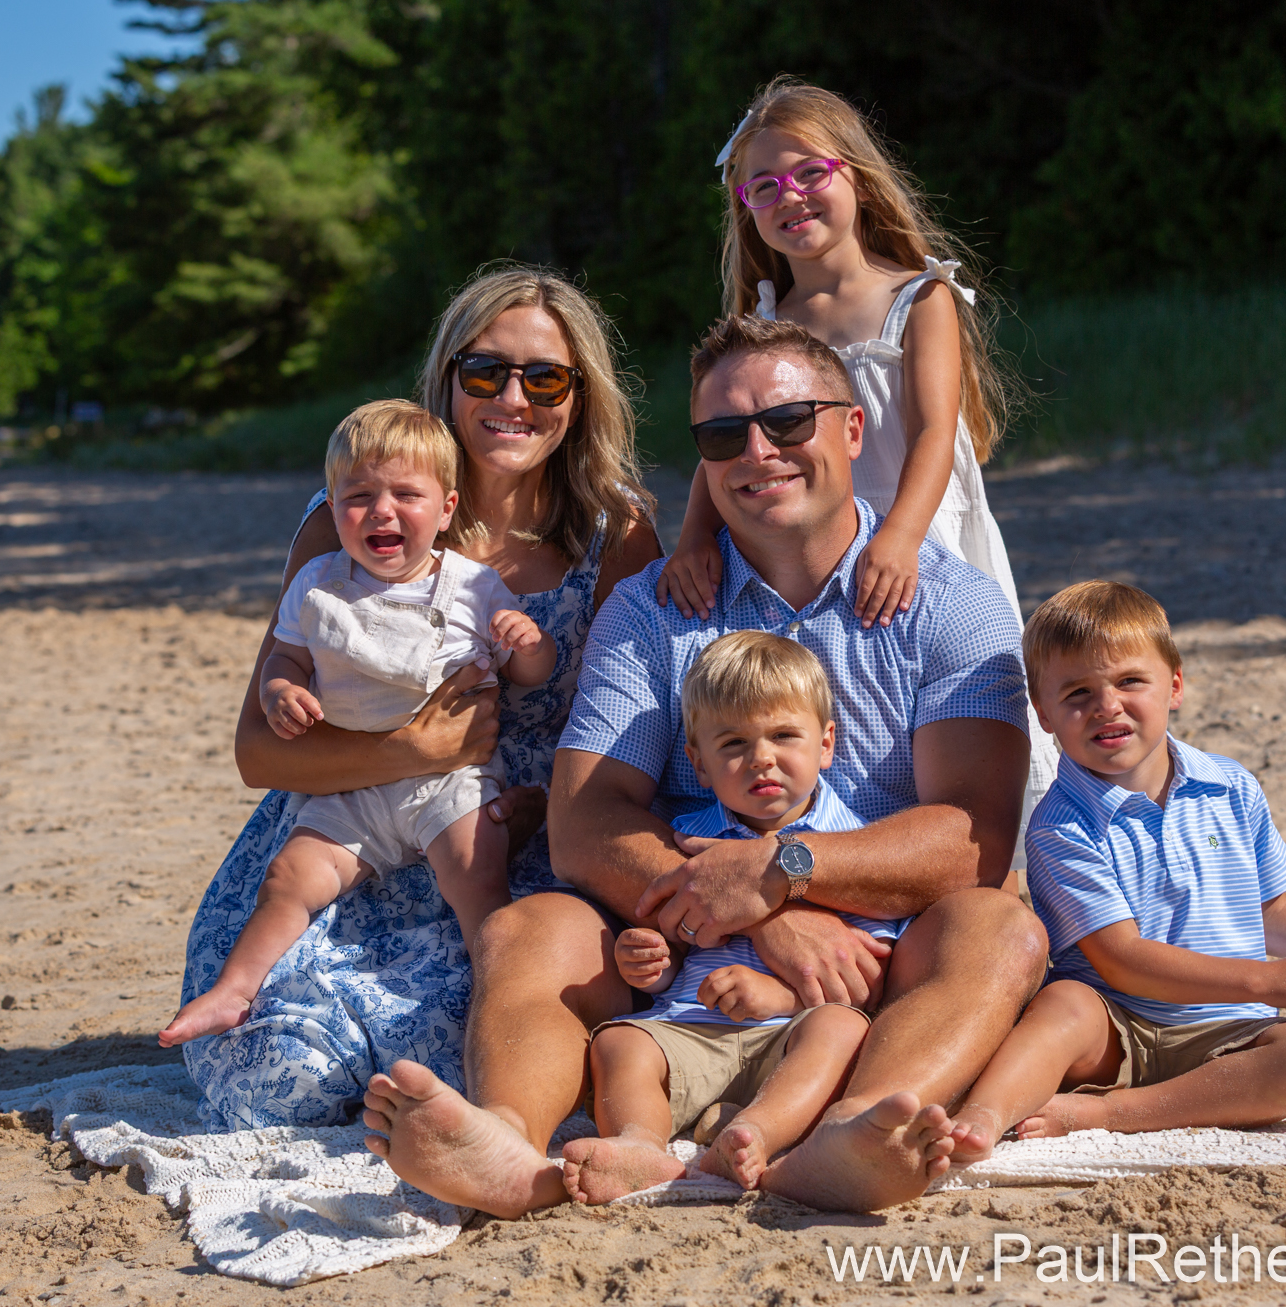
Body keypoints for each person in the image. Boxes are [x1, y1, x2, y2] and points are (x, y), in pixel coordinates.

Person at [363, 313, 1048, 1215]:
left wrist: (783, 873)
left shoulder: (954, 604)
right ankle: (507, 1144)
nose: (758, 452)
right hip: (680, 970)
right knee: (531, 929)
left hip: (881, 965)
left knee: (1000, 929)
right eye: (724, 434)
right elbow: (584, 821)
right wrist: (751, 914)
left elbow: (973, 836)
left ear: (852, 428)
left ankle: (855, 1130)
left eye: (788, 422)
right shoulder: (652, 609)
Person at [178, 267, 661, 1129]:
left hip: (507, 845)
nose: (512, 398)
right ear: (448, 377)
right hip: (345, 826)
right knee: (277, 1076)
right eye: (486, 371)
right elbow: (258, 751)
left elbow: (633, 732)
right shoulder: (351, 520)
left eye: (545, 378)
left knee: (469, 1056)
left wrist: (542, 803)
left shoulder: (613, 533)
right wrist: (414, 748)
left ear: (580, 396)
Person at [947, 582, 1286, 1162]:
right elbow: (1121, 959)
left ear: (1175, 686)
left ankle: (1112, 1113)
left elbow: (1271, 915)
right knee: (1064, 1005)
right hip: (1115, 1032)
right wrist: (1267, 980)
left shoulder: (1229, 787)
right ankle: (981, 1119)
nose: (1107, 705)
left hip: (1228, 1036)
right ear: (1044, 715)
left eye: (1130, 681)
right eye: (1078, 692)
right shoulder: (1060, 826)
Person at [653, 77, 1057, 867]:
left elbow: (937, 431)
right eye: (765, 187)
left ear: (858, 177)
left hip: (909, 527)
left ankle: (975, 864)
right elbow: (728, 442)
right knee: (815, 689)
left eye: (810, 173)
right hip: (794, 543)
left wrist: (900, 538)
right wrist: (695, 536)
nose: (791, 196)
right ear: (745, 206)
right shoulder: (767, 318)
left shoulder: (917, 295)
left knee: (936, 693)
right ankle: (819, 839)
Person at [161, 402, 555, 1048]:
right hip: (350, 786)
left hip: (450, 782)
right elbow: (286, 655)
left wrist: (528, 642)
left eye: (406, 495)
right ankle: (234, 989)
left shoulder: (473, 588)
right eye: (359, 496)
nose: (381, 511)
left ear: (447, 509)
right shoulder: (318, 585)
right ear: (332, 504)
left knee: (474, 869)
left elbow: (530, 675)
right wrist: (281, 688)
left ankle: (500, 982)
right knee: (289, 878)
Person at [561, 632, 902, 1202]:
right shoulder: (684, 843)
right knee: (619, 1043)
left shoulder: (854, 850)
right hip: (690, 1028)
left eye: (784, 736)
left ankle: (755, 1133)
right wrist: (650, 963)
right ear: (698, 762)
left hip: (789, 1039)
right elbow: (674, 943)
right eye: (735, 743)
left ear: (825, 744)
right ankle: (639, 1144)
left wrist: (782, 997)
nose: (762, 757)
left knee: (842, 1029)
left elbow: (868, 977)